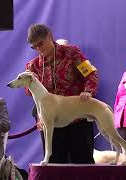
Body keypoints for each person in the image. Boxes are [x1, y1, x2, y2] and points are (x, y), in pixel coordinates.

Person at [25, 24, 98, 164]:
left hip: (76, 118)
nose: (39, 49)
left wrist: (88, 91)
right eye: (34, 47)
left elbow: (90, 73)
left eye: (40, 43)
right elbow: (29, 93)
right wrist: (30, 82)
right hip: (51, 121)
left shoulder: (72, 53)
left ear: (49, 36)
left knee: (83, 162)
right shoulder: (32, 65)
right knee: (54, 164)